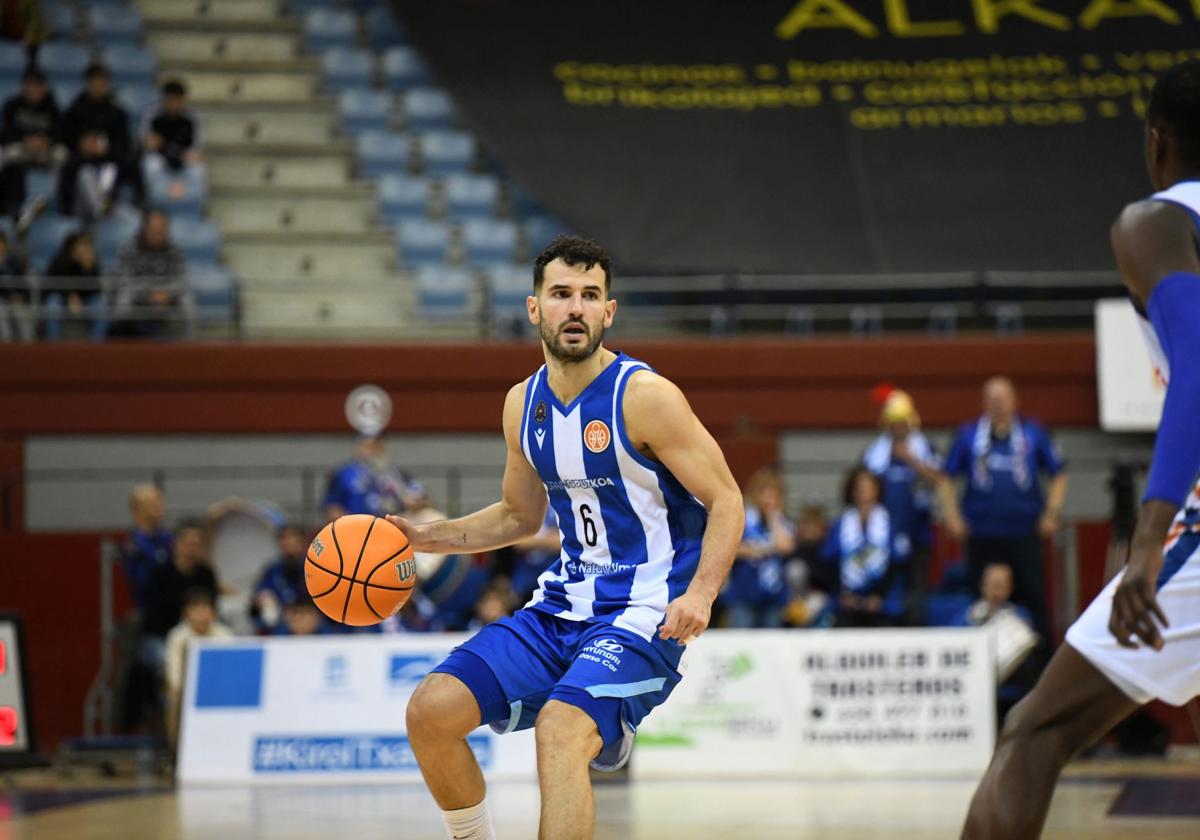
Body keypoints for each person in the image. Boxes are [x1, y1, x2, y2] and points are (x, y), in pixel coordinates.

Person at [392, 235, 743, 840]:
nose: (574, 308)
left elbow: (728, 499)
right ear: (535, 309)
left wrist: (702, 595)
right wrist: (423, 537)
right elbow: (517, 517)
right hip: (561, 604)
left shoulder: (646, 397)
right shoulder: (519, 405)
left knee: (559, 730)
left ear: (609, 311)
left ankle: (602, 717)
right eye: (560, 294)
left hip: (644, 612)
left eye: (589, 296)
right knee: (430, 712)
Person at [961, 60, 1200, 839]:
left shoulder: (1157, 222)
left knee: (1036, 732)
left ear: (1157, 141)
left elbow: (1198, 365)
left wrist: (1145, 539)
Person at [939, 376, 1068, 646]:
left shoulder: (1033, 433)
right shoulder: (968, 435)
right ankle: (979, 663)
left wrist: (1051, 513)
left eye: (1003, 398)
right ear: (984, 402)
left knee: (1031, 598)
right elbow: (945, 477)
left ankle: (1038, 667)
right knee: (980, 600)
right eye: (992, 398)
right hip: (981, 534)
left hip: (1024, 533)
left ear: (1015, 401)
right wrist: (952, 518)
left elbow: (1059, 473)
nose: (998, 404)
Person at [861, 388, 941, 618]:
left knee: (917, 591)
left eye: (902, 421)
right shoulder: (875, 453)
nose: (897, 427)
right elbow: (863, 482)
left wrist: (911, 460)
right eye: (893, 422)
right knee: (885, 589)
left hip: (918, 530)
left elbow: (940, 480)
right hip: (883, 532)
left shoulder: (925, 448)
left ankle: (915, 629)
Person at [821, 466, 908, 627]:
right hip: (847, 602)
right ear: (852, 492)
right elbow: (828, 562)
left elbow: (899, 563)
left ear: (877, 491)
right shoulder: (840, 525)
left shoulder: (890, 524)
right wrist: (842, 595)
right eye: (860, 489)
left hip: (883, 603)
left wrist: (880, 596)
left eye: (869, 489)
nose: (864, 494)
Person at [58, 64, 141, 221]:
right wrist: (81, 145)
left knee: (109, 170)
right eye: (94, 82)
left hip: (109, 165)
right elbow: (64, 139)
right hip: (80, 167)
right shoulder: (74, 111)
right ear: (88, 83)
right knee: (85, 174)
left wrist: (104, 148)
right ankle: (101, 212)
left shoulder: (117, 113)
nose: (98, 87)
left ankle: (106, 209)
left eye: (102, 83)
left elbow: (124, 145)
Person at [722, 466, 794, 628]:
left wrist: (773, 517)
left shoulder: (783, 522)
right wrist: (763, 549)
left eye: (775, 496)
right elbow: (731, 550)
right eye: (765, 494)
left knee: (770, 644)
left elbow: (785, 546)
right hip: (743, 594)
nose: (769, 500)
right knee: (741, 645)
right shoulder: (743, 519)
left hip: (772, 596)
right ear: (756, 494)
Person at [163, 587, 233, 748]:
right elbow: (174, 675)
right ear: (186, 613)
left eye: (205, 608)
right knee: (173, 698)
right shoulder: (177, 637)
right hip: (186, 691)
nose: (201, 614)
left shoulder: (226, 636)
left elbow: (231, 670)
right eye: (195, 609)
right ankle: (177, 752)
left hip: (220, 690)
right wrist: (187, 690)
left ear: (214, 612)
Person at [109, 208, 191, 338]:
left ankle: (186, 348)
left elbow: (181, 279)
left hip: (166, 294)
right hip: (137, 293)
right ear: (145, 228)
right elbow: (124, 279)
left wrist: (167, 293)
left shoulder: (175, 248)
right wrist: (149, 294)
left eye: (161, 229)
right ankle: (119, 345)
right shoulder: (129, 247)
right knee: (123, 299)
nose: (157, 233)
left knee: (188, 301)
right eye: (154, 229)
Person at [0, 66, 64, 221]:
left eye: (37, 85)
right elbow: (5, 132)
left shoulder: (52, 107)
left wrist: (46, 141)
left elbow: (61, 132)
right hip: (21, 148)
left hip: (45, 150)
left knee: (63, 155)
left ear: (44, 87)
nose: (33, 89)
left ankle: (59, 204)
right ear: (23, 86)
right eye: (29, 85)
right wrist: (25, 140)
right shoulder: (13, 105)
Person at [323, 434, 426, 519]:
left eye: (377, 446)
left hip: (391, 527)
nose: (373, 451)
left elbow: (421, 500)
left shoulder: (397, 473)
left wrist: (412, 501)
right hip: (356, 528)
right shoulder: (343, 473)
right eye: (368, 446)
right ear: (358, 447)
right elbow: (332, 506)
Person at [42, 231, 107, 341]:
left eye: (86, 245)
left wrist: (88, 270)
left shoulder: (92, 261)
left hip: (86, 299)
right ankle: (52, 344)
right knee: (52, 305)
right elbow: (51, 285)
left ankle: (96, 345)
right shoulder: (60, 260)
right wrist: (69, 296)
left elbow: (97, 290)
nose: (84, 249)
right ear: (72, 248)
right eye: (80, 245)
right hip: (61, 297)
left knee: (101, 306)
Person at [121, 483, 173, 613]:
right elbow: (143, 583)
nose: (161, 507)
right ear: (138, 510)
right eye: (154, 504)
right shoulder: (134, 545)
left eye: (160, 502)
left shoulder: (168, 538)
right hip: (150, 612)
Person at [249, 522, 309, 634]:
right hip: (283, 623)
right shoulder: (272, 570)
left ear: (303, 541)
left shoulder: (315, 567)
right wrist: (262, 599)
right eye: (284, 538)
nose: (288, 542)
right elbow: (258, 596)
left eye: (293, 537)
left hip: (313, 621)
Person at [141, 79, 203, 182]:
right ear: (164, 100)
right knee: (151, 163)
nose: (173, 105)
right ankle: (155, 196)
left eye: (177, 101)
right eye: (170, 100)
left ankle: (191, 197)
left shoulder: (191, 118)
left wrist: (191, 154)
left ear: (183, 100)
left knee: (198, 169)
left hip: (183, 156)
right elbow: (147, 142)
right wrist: (151, 143)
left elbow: (196, 147)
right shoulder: (153, 115)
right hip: (160, 156)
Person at [0, 229, 33, 342]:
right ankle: (6, 345)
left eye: (1, 243)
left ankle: (27, 346)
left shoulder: (12, 262)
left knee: (20, 312)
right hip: (2, 302)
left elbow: (23, 284)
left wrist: (20, 296)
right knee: (1, 312)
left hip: (15, 299)